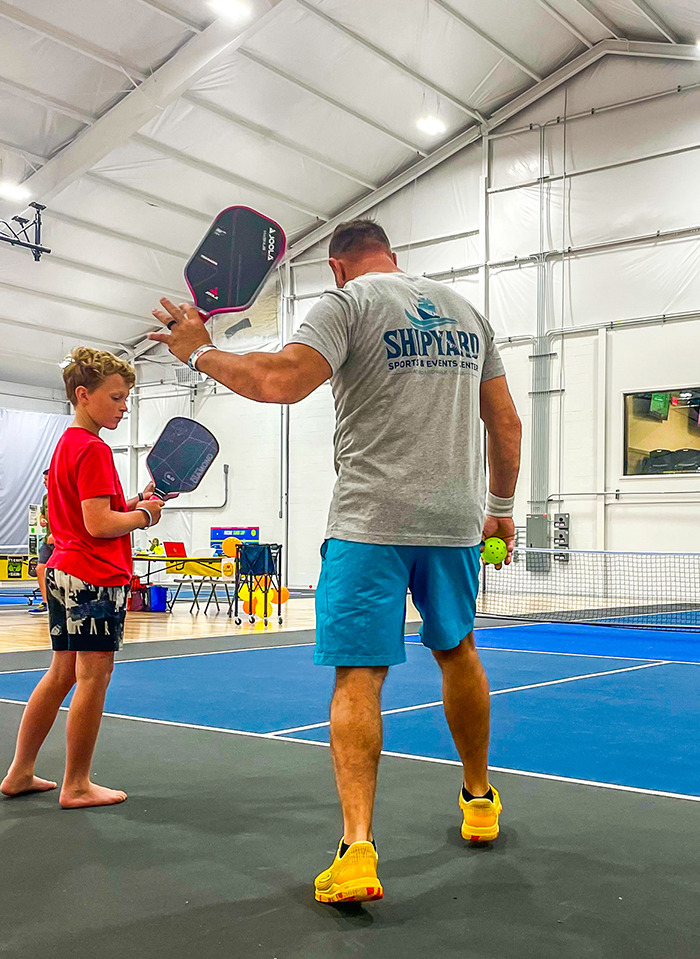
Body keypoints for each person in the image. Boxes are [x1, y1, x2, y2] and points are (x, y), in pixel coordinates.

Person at [150, 218, 522, 904]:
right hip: (454, 523)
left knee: (359, 679)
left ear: (337, 268)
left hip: (369, 521)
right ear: (394, 257)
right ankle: (478, 799)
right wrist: (498, 505)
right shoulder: (469, 314)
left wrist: (198, 353)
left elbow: (278, 382)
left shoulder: (348, 305)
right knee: (459, 651)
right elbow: (505, 423)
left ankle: (357, 850)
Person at [0, 347, 163, 808]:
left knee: (60, 675)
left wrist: (132, 504)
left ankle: (20, 772)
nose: (123, 406)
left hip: (64, 572)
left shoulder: (67, 445)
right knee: (93, 677)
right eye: (116, 397)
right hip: (92, 578)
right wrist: (145, 516)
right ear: (83, 395)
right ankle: (76, 785)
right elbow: (99, 525)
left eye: (126, 398)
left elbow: (87, 514)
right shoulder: (93, 449)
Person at [29, 468, 52, 614]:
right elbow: (42, 514)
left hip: (62, 541)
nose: (44, 483)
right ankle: (45, 603)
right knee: (40, 569)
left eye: (46, 480)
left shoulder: (64, 496)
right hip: (47, 540)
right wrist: (42, 520)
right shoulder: (45, 497)